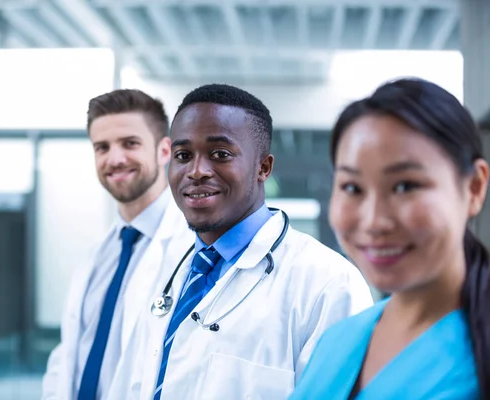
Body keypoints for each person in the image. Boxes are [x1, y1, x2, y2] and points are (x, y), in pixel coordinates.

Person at [115, 83, 373, 400]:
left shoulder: (328, 283)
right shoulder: (161, 270)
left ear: (263, 167)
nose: (196, 171)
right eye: (183, 155)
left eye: (220, 154)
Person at [290, 78, 490, 399]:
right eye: (352, 188)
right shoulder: (338, 340)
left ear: (474, 188)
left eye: (405, 186)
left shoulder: (476, 356)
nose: (374, 222)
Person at [41, 89, 193, 400]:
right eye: (102, 147)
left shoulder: (193, 249)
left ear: (165, 151)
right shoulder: (100, 254)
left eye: (130, 143)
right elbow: (70, 353)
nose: (115, 158)